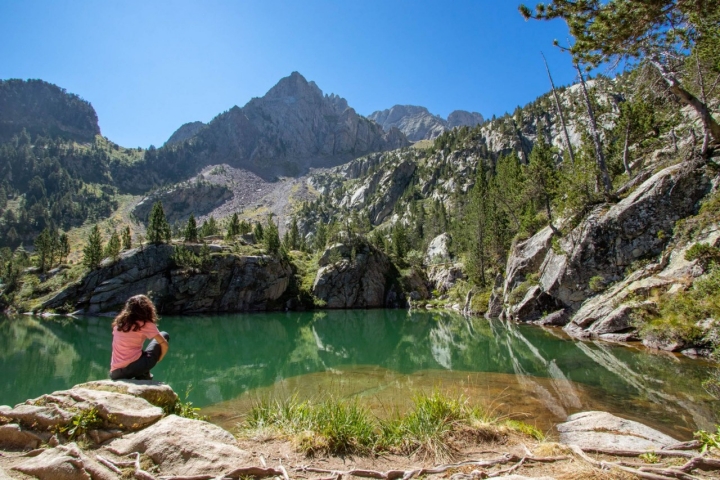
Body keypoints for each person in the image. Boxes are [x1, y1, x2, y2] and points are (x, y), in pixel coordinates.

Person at [109, 294, 169, 381]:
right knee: (164, 334)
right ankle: (144, 374)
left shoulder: (119, 324)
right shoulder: (145, 324)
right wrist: (158, 359)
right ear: (147, 308)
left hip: (115, 373)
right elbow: (164, 345)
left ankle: (144, 375)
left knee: (140, 354)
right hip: (131, 369)